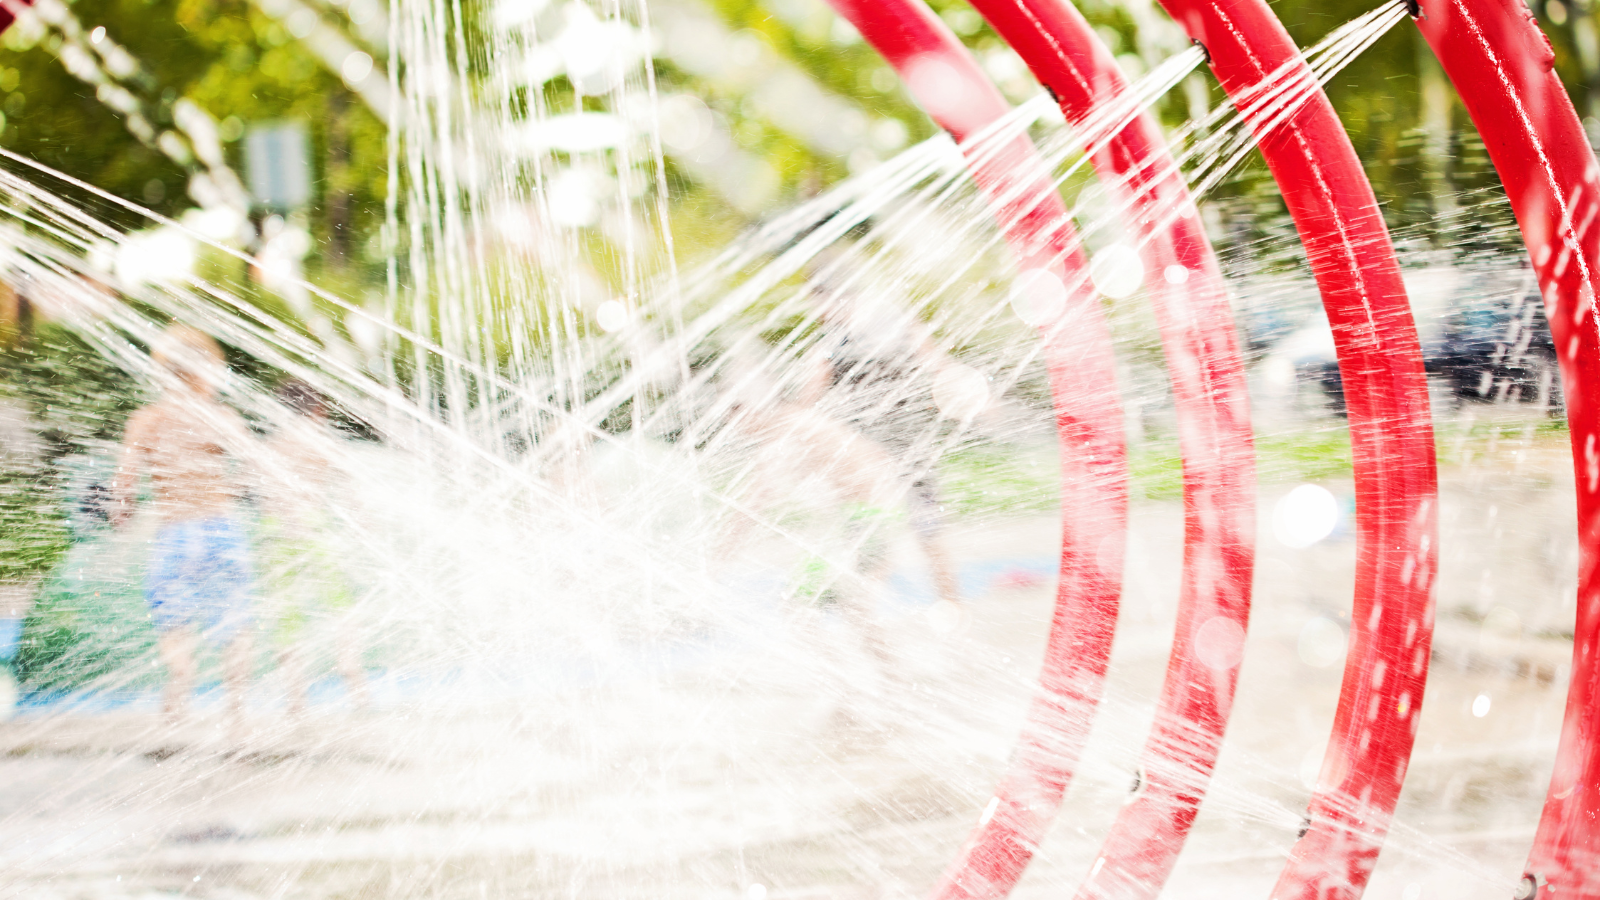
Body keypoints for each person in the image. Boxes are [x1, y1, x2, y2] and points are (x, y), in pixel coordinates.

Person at [112, 325, 256, 736]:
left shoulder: (147, 420)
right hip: (223, 528)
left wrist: (122, 516)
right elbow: (252, 471)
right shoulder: (224, 417)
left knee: (176, 629)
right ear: (207, 369)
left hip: (176, 534)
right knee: (236, 626)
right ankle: (238, 721)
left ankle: (175, 718)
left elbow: (124, 485)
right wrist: (226, 487)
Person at [798, 283, 965, 616]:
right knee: (908, 523)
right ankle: (942, 601)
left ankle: (937, 600)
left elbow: (813, 388)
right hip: (897, 438)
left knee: (898, 523)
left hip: (882, 444)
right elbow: (932, 357)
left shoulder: (838, 340)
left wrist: (796, 418)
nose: (818, 312)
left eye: (819, 302)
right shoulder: (890, 322)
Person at [257, 379, 367, 717]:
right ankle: (355, 684)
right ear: (318, 409)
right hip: (316, 529)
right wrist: (361, 523)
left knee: (286, 616)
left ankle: (295, 698)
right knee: (339, 608)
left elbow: (259, 494)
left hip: (276, 533)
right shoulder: (327, 444)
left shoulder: (272, 446)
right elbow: (352, 495)